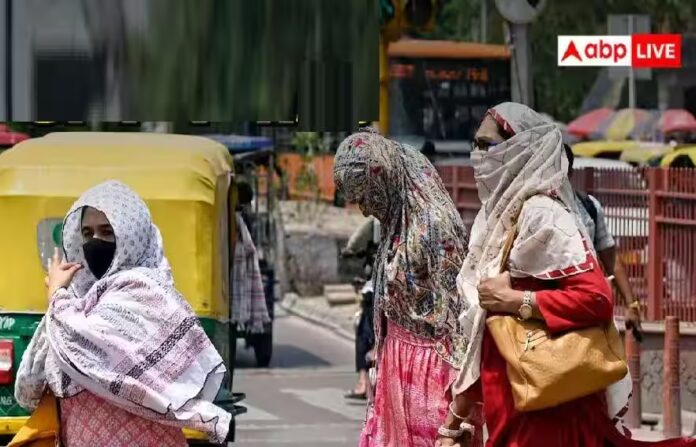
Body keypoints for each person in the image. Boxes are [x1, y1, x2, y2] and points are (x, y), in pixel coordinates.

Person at [436, 102, 696, 447]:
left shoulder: (543, 214)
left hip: (546, 405)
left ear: (520, 148)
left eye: (487, 145)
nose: (476, 155)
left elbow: (596, 298)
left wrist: (517, 300)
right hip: (509, 398)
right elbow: (481, 329)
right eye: (475, 144)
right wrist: (455, 420)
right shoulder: (496, 219)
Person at [15, 180, 232, 446]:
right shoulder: (78, 303)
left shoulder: (144, 293)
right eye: (87, 233)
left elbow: (82, 341)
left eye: (107, 232)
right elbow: (30, 387)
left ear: (131, 235)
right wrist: (61, 302)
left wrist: (57, 297)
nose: (95, 242)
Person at [333, 128, 470, 446]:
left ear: (385, 180)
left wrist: (458, 412)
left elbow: (458, 321)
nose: (364, 210)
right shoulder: (396, 223)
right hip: (397, 368)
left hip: (430, 376)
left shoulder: (434, 228)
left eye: (365, 197)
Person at [564, 144, 643, 340]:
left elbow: (611, 259)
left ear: (570, 171)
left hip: (588, 307)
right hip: (548, 308)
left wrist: (632, 304)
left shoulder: (589, 206)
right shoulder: (533, 209)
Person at [342, 216, 380, 401]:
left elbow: (354, 243)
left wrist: (349, 251)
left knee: (364, 334)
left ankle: (363, 383)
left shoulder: (375, 221)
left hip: (376, 291)